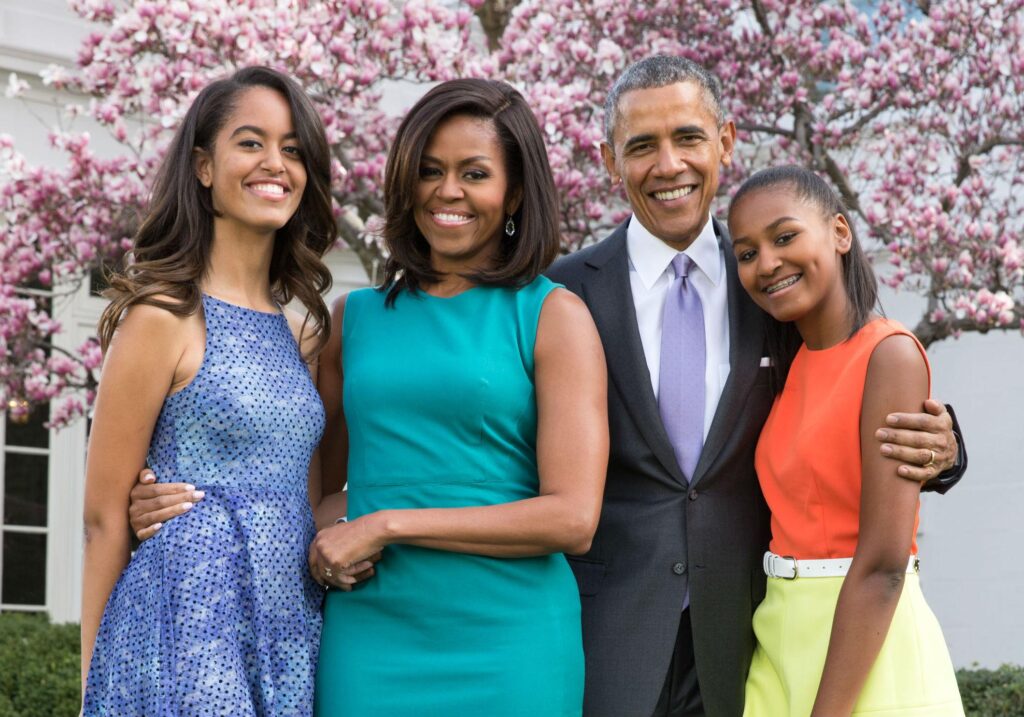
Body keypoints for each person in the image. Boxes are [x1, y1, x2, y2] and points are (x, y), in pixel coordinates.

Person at [544, 55, 967, 717]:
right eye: (642, 146)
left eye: (688, 137)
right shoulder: (563, 293)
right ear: (607, 161)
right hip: (610, 635)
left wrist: (942, 450)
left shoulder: (776, 288)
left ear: (726, 141)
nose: (670, 164)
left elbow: (850, 379)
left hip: (747, 637)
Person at [308, 77, 607, 716]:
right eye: (430, 170)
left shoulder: (554, 316)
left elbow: (574, 518)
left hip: (512, 643)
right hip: (370, 637)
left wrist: (389, 524)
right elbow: (319, 494)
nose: (448, 191)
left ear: (516, 191)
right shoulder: (351, 320)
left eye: (475, 173)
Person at [81, 66, 341, 716]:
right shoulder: (162, 317)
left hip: (288, 628)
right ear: (203, 166)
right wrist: (94, 689)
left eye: (292, 148)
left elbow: (303, 503)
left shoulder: (304, 334)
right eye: (250, 142)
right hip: (183, 628)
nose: (274, 163)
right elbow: (105, 517)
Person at [728, 165, 963, 716]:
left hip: (867, 647)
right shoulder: (787, 367)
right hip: (779, 638)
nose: (767, 263)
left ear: (839, 232)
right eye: (746, 253)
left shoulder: (890, 354)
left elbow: (883, 563)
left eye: (785, 237)